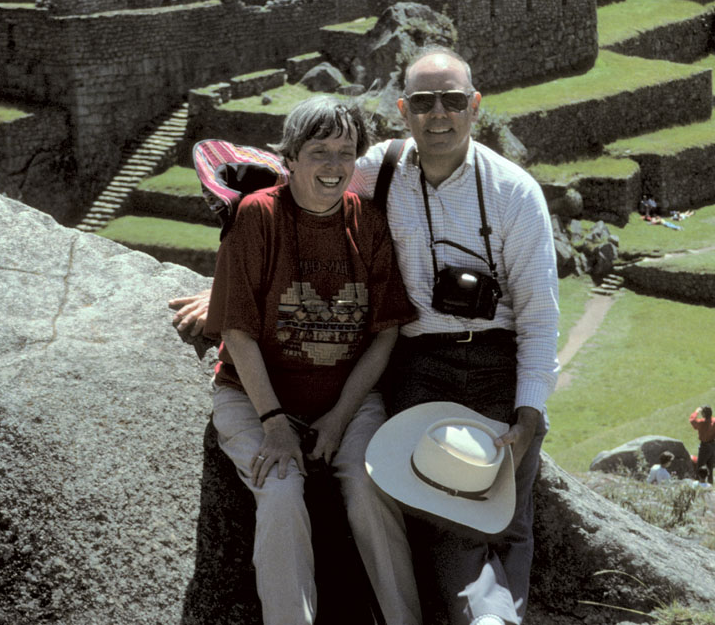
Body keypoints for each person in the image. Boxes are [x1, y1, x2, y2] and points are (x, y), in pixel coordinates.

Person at [172, 48, 559, 625]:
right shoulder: (380, 168)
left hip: (477, 367)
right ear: (403, 110)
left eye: (453, 101)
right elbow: (298, 189)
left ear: (474, 107)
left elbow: (539, 314)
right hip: (410, 367)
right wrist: (227, 291)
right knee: (399, 508)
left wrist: (530, 413)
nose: (439, 115)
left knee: (485, 511)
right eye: (423, 102)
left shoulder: (509, 193)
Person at [204, 95, 421, 625]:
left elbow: (385, 333)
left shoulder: (366, 224)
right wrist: (274, 422)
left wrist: (342, 416)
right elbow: (237, 330)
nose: (332, 166)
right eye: (318, 151)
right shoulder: (258, 217)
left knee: (372, 485)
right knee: (280, 492)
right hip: (253, 398)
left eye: (345, 152)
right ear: (291, 159)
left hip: (346, 399)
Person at [689, 405, 715, 485]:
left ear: (703, 414)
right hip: (712, 445)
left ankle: (699, 484)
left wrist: (696, 411)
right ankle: (710, 484)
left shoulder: (702, 422)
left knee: (700, 466)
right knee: (710, 466)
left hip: (704, 446)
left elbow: (692, 420)